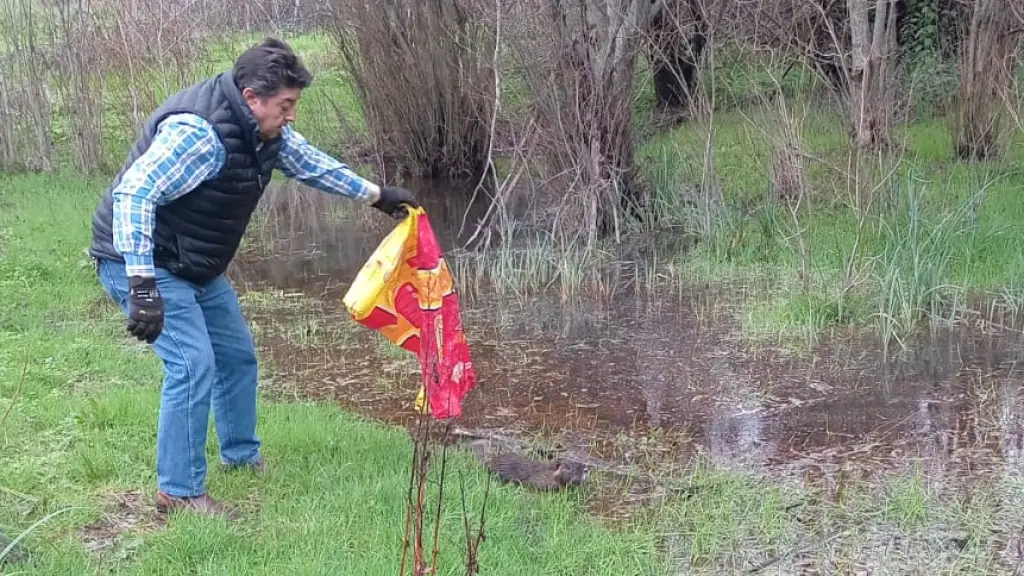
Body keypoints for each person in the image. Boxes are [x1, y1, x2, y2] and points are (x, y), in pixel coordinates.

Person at [87, 37, 419, 519]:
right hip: (140, 258)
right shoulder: (197, 134)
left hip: (195, 262)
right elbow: (134, 195)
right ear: (251, 98)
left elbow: (311, 164)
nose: (291, 116)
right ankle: (179, 491)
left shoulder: (267, 132)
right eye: (285, 106)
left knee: (236, 355)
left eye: (294, 105)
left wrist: (377, 195)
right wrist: (142, 286)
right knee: (191, 362)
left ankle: (240, 454)